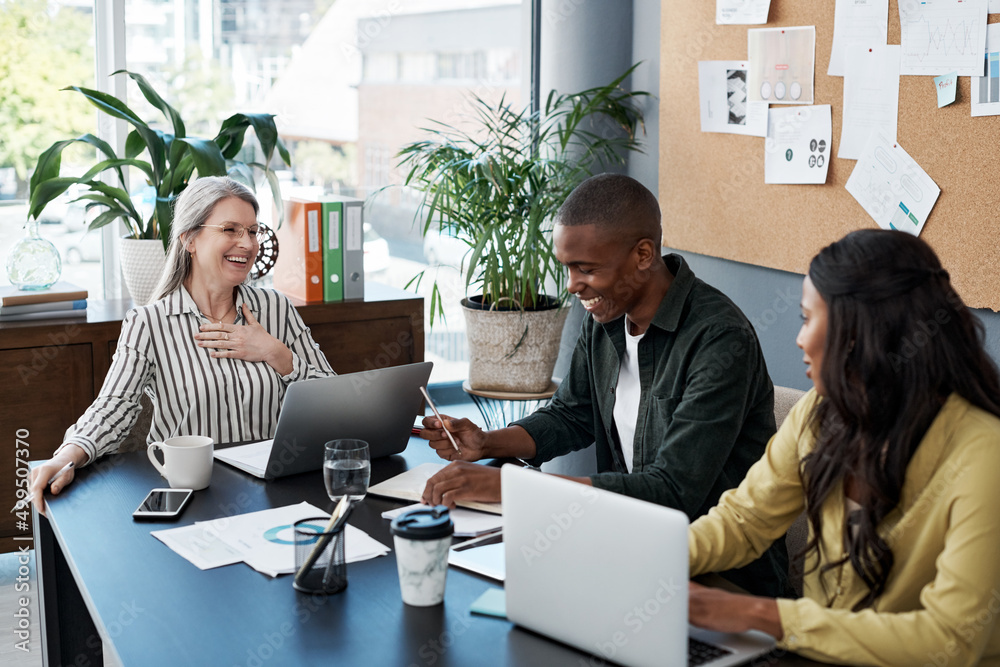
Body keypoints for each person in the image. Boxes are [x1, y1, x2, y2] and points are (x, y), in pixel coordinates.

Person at [421, 173, 787, 596]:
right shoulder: (607, 316)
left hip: (723, 582)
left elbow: (671, 492)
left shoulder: (720, 340)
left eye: (587, 269)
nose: (573, 285)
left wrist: (514, 488)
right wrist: (487, 444)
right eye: (568, 267)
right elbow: (571, 414)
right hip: (631, 550)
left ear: (643, 254)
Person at [688, 229, 1000, 665]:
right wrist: (660, 559)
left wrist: (762, 614)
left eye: (807, 318)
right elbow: (746, 520)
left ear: (861, 333)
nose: (799, 339)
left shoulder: (984, 454)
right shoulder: (820, 410)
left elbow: (949, 638)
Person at [28, 176, 336, 508]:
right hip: (192, 496)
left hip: (273, 494)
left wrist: (277, 354)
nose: (246, 244)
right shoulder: (149, 323)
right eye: (230, 229)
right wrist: (67, 456)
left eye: (252, 231)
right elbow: (113, 408)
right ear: (189, 239)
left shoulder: (277, 308)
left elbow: (335, 402)